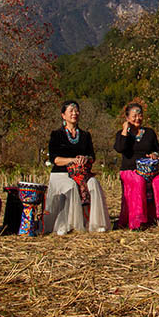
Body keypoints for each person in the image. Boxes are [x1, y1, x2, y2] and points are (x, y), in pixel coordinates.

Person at [44, 100, 109, 234]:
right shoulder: (56, 135)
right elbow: (54, 159)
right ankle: (66, 224)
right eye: (71, 111)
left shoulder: (85, 135)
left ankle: (94, 223)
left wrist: (86, 159)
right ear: (63, 115)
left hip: (82, 174)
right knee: (70, 186)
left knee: (94, 184)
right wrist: (71, 160)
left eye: (76, 111)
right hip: (61, 174)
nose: (74, 113)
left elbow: (92, 156)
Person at [114, 102, 159, 229]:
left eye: (140, 115)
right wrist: (125, 129)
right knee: (139, 180)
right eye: (134, 116)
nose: (137, 118)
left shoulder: (149, 133)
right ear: (127, 118)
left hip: (150, 171)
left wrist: (155, 155)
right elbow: (119, 148)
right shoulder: (122, 134)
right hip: (130, 171)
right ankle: (138, 221)